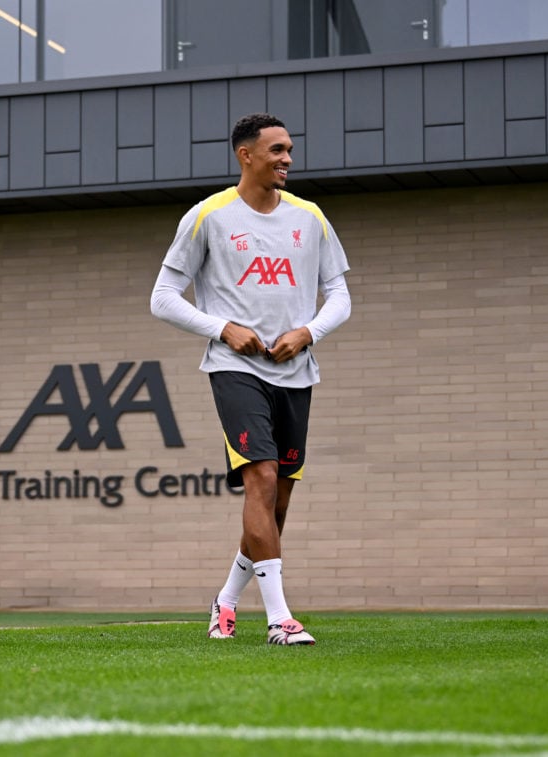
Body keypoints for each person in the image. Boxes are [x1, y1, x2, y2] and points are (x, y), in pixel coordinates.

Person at [150, 113, 351, 645]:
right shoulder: (208, 216)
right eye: (277, 150)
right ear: (246, 155)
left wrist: (308, 332)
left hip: (296, 373)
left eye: (290, 150)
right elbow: (162, 298)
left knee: (275, 504)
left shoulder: (311, 218)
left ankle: (226, 600)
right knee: (259, 479)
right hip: (234, 369)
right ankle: (281, 620)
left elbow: (341, 296)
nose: (287, 158)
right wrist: (222, 330)